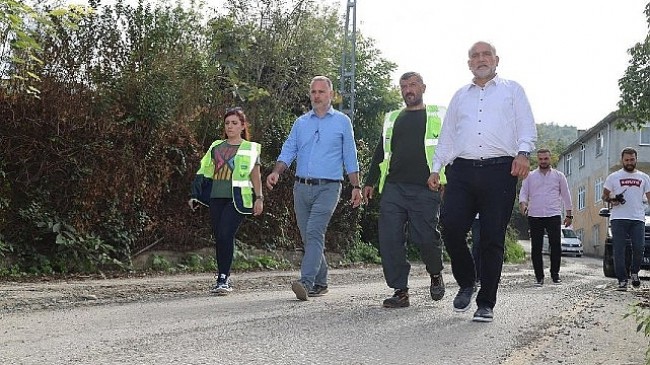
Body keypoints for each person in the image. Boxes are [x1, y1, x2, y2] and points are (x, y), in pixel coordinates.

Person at [427, 41, 537, 322]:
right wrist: (435, 168)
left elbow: (526, 125)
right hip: (461, 171)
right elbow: (448, 136)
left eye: (486, 54)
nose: (480, 59)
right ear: (469, 64)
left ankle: (486, 302)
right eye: (474, 56)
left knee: (491, 239)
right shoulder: (460, 96)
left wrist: (523, 153)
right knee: (451, 227)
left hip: (500, 170)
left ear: (496, 60)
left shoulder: (513, 90)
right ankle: (467, 281)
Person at [266, 75, 362, 301]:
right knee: (308, 237)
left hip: (329, 187)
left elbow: (350, 155)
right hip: (301, 187)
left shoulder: (341, 122)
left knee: (314, 232)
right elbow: (289, 149)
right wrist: (276, 172)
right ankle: (321, 281)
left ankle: (306, 282)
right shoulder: (301, 123)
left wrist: (356, 186)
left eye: (321, 92)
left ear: (331, 95)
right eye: (313, 92)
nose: (317, 96)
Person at [362, 71, 447, 308]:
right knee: (390, 240)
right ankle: (401, 291)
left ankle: (435, 273)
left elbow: (451, 148)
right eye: (404, 86)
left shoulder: (438, 116)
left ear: (423, 87)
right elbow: (381, 151)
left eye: (413, 85)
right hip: (394, 188)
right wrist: (370, 181)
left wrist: (449, 182)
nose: (408, 90)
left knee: (426, 238)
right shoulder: (393, 119)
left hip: (425, 188)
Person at [189, 107, 264, 295]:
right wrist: (195, 194)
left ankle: (224, 278)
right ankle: (222, 276)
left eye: (234, 123)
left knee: (225, 233)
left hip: (238, 199)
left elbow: (256, 175)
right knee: (219, 236)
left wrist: (259, 198)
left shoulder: (250, 148)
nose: (230, 126)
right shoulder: (216, 146)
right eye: (227, 123)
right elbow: (203, 171)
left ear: (242, 126)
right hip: (216, 197)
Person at [518, 148, 573, 286]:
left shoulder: (559, 176)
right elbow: (523, 193)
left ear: (550, 159)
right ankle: (539, 277)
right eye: (541, 159)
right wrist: (523, 205)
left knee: (555, 246)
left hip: (553, 214)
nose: (543, 161)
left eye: (546, 159)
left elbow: (566, 195)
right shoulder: (529, 176)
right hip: (535, 215)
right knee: (536, 247)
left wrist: (569, 215)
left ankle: (555, 275)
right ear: (538, 160)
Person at [602, 147, 650, 291]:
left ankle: (634, 272)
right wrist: (612, 199)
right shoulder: (613, 177)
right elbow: (604, 196)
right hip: (618, 218)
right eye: (627, 160)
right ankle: (622, 280)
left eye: (632, 159)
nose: (629, 162)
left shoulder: (644, 177)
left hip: (638, 218)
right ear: (622, 160)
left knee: (639, 247)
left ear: (636, 159)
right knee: (619, 250)